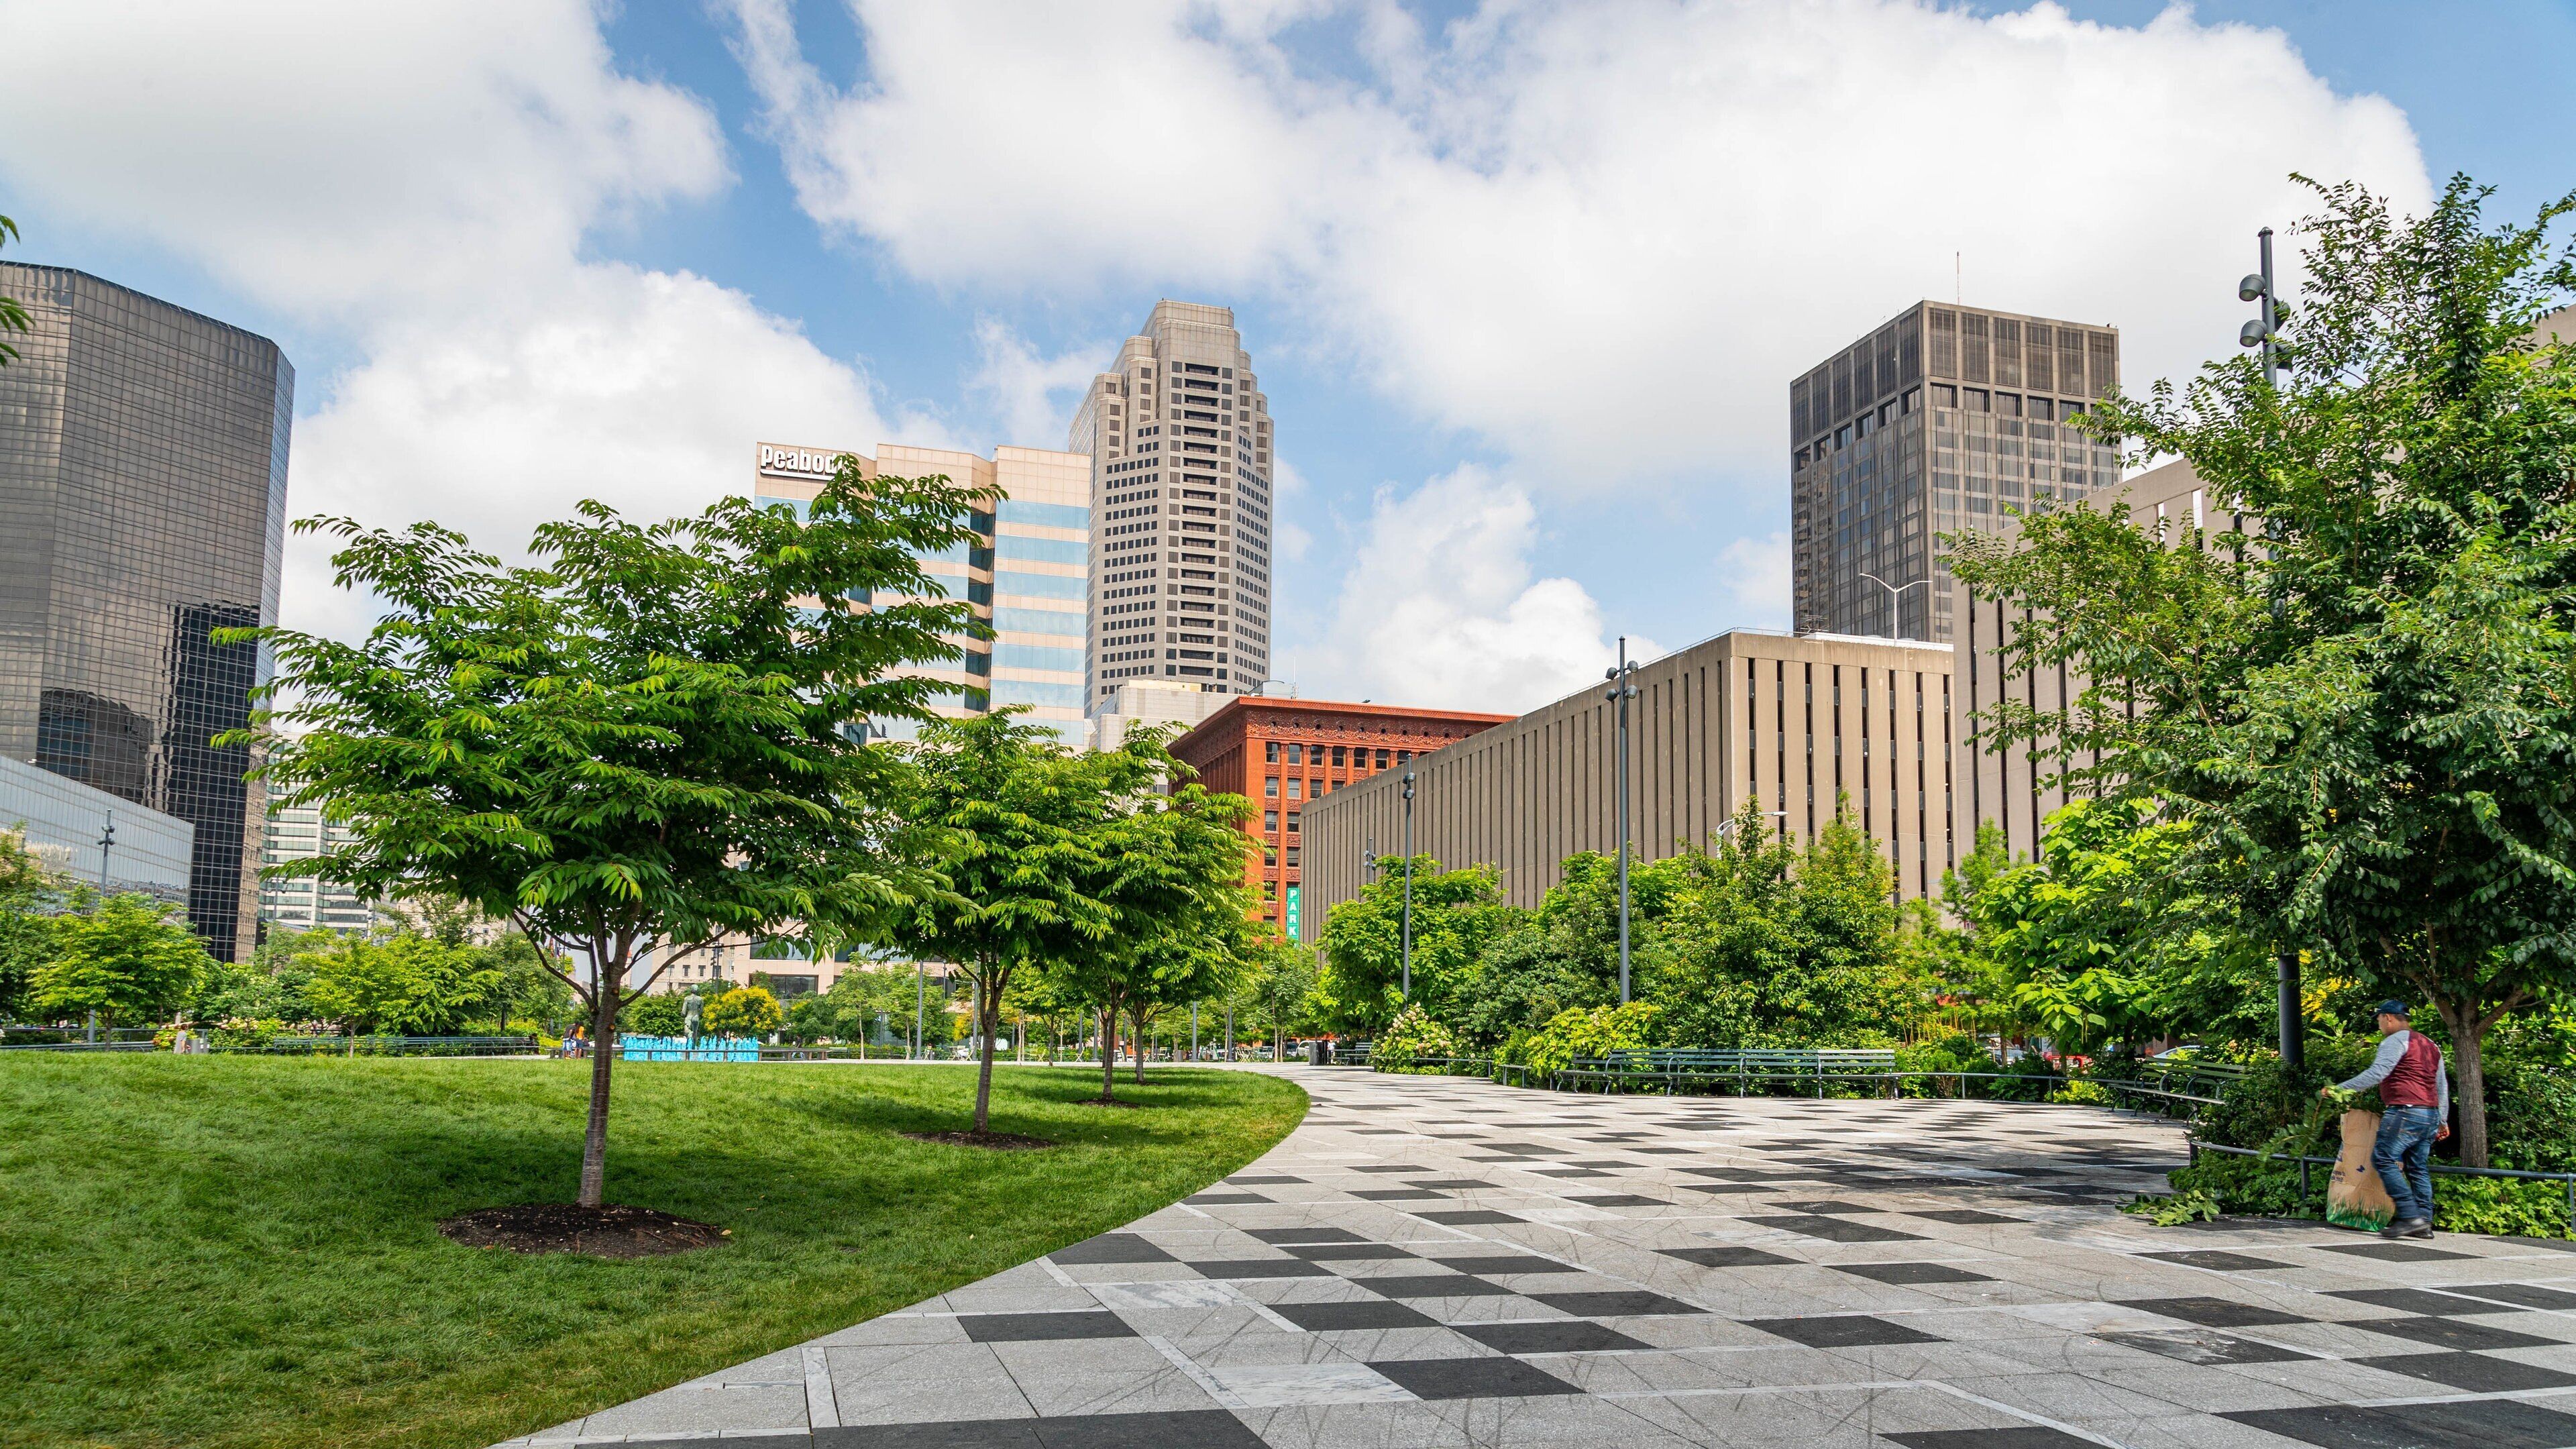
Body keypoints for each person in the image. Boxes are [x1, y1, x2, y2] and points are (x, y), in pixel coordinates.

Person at [2321, 1000, 2452, 1240]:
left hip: (2405, 1111)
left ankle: (2410, 1217)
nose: (2380, 1026)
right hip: (2429, 1114)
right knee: (2417, 1168)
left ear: (2388, 1018)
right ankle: (2424, 1222)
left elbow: (2378, 1073)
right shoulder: (2431, 1045)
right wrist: (2442, 1120)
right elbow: (2441, 1084)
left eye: (2380, 1020)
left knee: (2383, 1159)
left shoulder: (2395, 1041)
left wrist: (2339, 1089)